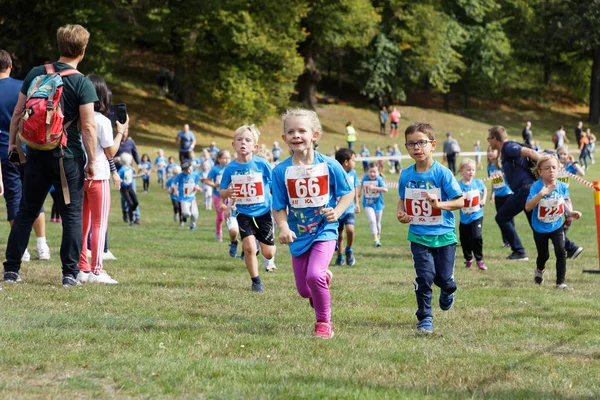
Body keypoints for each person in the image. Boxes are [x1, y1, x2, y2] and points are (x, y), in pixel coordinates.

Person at [4, 25, 98, 287]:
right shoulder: (82, 82)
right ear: (82, 50)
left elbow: (18, 113)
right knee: (71, 214)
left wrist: (14, 146)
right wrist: (91, 160)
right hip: (68, 157)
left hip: (36, 153)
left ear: (59, 46)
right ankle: (69, 274)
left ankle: (11, 270)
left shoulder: (37, 73)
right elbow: (88, 127)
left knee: (27, 211)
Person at [272, 108, 354, 339]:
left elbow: (347, 193)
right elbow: (278, 206)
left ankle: (323, 322)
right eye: (291, 132)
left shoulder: (329, 165)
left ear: (315, 135)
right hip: (298, 234)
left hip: (324, 230)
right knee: (303, 289)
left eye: (302, 130)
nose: (296, 135)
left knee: (314, 275)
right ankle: (323, 279)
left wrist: (336, 212)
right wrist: (284, 227)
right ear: (284, 138)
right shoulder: (281, 171)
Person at [397, 122, 463, 334]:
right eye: (411, 144)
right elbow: (402, 199)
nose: (417, 148)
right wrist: (401, 213)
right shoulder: (406, 175)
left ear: (433, 145)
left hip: (444, 235)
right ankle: (425, 317)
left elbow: (460, 201)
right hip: (418, 235)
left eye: (421, 143)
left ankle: (447, 290)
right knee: (424, 277)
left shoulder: (442, 173)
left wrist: (439, 205)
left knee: (444, 279)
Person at [0, 49, 51, 262]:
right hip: (27, 147)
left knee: (13, 197)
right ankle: (42, 245)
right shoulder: (24, 86)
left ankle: (23, 249)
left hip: (5, 150)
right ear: (11, 65)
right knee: (34, 194)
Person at [77, 74, 124, 285]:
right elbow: (110, 152)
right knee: (99, 224)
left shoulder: (77, 117)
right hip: (98, 175)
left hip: (79, 174)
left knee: (82, 223)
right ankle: (97, 269)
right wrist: (120, 133)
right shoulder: (102, 121)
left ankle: (82, 267)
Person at [220, 125, 277, 292]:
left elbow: (274, 185)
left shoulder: (262, 164)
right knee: (249, 247)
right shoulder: (230, 168)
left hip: (264, 211)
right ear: (233, 145)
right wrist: (227, 192)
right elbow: (222, 191)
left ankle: (262, 245)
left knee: (268, 253)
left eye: (248, 140)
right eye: (239, 140)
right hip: (243, 212)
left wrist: (280, 206)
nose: (243, 143)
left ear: (255, 146)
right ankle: (256, 281)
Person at [525, 155, 582, 289]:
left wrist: (570, 212)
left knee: (561, 251)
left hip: (556, 224)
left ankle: (560, 282)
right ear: (540, 171)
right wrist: (541, 194)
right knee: (543, 255)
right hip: (540, 227)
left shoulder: (562, 186)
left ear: (558, 169)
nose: (551, 171)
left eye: (554, 168)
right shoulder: (536, 186)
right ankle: (539, 271)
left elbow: (562, 200)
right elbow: (528, 207)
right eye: (547, 168)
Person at [487, 125, 541, 261]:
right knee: (536, 223)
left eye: (489, 139)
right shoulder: (505, 150)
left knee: (501, 217)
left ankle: (519, 251)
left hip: (525, 190)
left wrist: (547, 165)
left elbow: (531, 152)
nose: (488, 142)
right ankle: (569, 247)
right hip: (527, 189)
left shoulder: (508, 146)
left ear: (494, 138)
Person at [457, 159, 487, 270]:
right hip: (464, 218)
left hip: (477, 215)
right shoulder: (458, 185)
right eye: (468, 169)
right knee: (465, 240)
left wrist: (483, 199)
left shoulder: (478, 182)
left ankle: (479, 260)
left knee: (476, 237)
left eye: (473, 170)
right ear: (461, 171)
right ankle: (468, 259)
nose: (471, 172)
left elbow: (484, 189)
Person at [556, 146, 585, 259]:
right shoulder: (555, 167)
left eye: (564, 154)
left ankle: (559, 238)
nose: (562, 156)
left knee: (569, 219)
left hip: (566, 198)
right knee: (556, 219)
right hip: (556, 198)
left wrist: (573, 162)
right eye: (560, 154)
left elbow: (582, 173)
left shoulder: (569, 167)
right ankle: (558, 239)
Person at [333, 148, 360, 266]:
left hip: (349, 208)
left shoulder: (353, 173)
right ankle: (339, 255)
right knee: (339, 235)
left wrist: (357, 203)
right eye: (353, 160)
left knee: (350, 229)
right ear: (346, 162)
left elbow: (354, 188)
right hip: (337, 209)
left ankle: (349, 249)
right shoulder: (334, 173)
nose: (355, 163)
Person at [487, 146, 513, 248]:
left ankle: (512, 241)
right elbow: (493, 181)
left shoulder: (501, 164)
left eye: (492, 150)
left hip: (507, 194)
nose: (490, 153)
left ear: (498, 153)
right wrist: (492, 194)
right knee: (501, 219)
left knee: (509, 219)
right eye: (488, 151)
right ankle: (506, 241)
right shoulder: (489, 167)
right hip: (498, 196)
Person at [115, 128, 140, 223]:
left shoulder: (130, 142)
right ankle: (125, 212)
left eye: (126, 132)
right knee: (124, 196)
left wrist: (139, 163)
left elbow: (135, 153)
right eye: (123, 132)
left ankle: (136, 216)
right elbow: (109, 155)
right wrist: (115, 159)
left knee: (133, 194)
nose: (124, 134)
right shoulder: (115, 142)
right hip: (120, 172)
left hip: (129, 171)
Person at [206, 150, 232, 242]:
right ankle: (218, 233)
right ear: (219, 159)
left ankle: (233, 233)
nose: (226, 160)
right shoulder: (215, 169)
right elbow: (207, 180)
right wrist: (214, 185)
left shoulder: (231, 168)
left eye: (228, 158)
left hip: (230, 196)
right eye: (224, 158)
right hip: (218, 195)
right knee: (221, 217)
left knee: (231, 216)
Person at [361, 162, 388, 247]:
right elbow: (362, 185)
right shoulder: (365, 178)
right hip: (367, 203)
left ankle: (378, 236)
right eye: (370, 172)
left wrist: (374, 188)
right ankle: (375, 239)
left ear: (378, 172)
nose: (372, 174)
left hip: (378, 204)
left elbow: (385, 189)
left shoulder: (379, 179)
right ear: (367, 172)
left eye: (374, 172)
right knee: (372, 221)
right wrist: (359, 193)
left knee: (377, 223)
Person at [173, 160, 200, 231]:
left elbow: (196, 183)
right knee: (187, 213)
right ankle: (183, 215)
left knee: (195, 214)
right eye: (186, 170)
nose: (189, 171)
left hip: (192, 197)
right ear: (184, 170)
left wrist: (198, 188)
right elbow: (174, 183)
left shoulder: (195, 175)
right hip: (184, 198)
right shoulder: (180, 176)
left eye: (190, 168)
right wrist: (176, 190)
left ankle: (192, 226)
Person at [118, 152, 139, 226]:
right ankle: (131, 221)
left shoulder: (130, 168)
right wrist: (121, 181)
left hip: (130, 187)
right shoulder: (122, 169)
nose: (131, 161)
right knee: (130, 203)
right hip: (124, 188)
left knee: (136, 202)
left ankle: (130, 212)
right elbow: (117, 177)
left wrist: (139, 175)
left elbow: (130, 177)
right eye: (130, 160)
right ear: (126, 160)